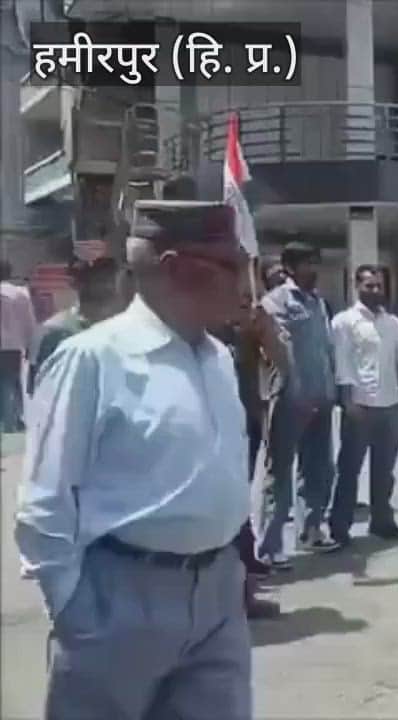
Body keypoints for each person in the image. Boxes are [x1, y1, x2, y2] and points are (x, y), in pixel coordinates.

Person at [15, 202, 253, 719]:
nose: (245, 284)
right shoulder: (93, 359)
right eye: (232, 266)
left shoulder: (219, 359)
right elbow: (43, 499)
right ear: (174, 267)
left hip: (217, 594)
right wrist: (74, 609)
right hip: (118, 596)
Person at [258, 241, 341, 567]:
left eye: (315, 262)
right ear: (290, 268)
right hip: (291, 399)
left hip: (321, 397)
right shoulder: (276, 302)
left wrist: (330, 389)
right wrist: (297, 391)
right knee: (279, 475)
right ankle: (270, 546)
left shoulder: (319, 303)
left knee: (319, 469)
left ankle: (311, 531)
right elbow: (280, 352)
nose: (314, 269)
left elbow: (325, 350)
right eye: (307, 263)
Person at [211, 282, 290, 620]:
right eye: (237, 301)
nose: (242, 307)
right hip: (206, 433)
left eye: (247, 301)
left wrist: (265, 330)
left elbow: (283, 365)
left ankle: (243, 593)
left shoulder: (250, 331)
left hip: (244, 427)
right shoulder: (202, 334)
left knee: (237, 508)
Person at [329, 265, 398, 544]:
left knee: (384, 469)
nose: (375, 291)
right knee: (350, 469)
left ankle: (381, 521)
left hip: (390, 404)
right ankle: (340, 527)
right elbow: (342, 363)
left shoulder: (393, 323)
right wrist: (347, 400)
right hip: (360, 404)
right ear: (357, 286)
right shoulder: (344, 321)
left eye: (379, 286)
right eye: (369, 286)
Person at [27, 257, 128, 393]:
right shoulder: (56, 331)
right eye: (98, 279)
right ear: (76, 283)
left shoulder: (127, 329)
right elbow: (41, 391)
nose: (107, 285)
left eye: (109, 278)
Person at [0, 258, 37, 431]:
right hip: (12, 346)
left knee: (7, 384)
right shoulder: (19, 294)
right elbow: (28, 321)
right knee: (10, 382)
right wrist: (31, 344)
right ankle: (10, 421)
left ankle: (10, 419)